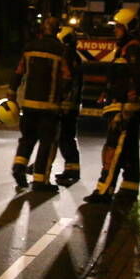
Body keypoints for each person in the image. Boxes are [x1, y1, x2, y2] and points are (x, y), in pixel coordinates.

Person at [83, 20, 140, 203]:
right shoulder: (125, 49)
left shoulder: (132, 49)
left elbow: (138, 76)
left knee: (114, 148)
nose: (115, 31)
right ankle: (129, 187)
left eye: (119, 28)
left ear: (129, 28)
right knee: (129, 148)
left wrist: (138, 98)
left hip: (124, 108)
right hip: (123, 105)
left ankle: (104, 190)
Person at [7, 17, 72, 193]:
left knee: (27, 138)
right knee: (46, 142)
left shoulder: (29, 47)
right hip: (49, 106)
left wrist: (12, 92)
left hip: (29, 103)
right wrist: (63, 97)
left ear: (42, 30)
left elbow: (18, 71)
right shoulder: (61, 50)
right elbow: (67, 76)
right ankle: (40, 180)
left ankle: (19, 167)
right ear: (57, 31)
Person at [55, 24, 83, 186]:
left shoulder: (66, 55)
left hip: (66, 104)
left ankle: (71, 169)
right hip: (72, 104)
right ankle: (72, 168)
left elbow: (66, 80)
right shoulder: (75, 56)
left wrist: (59, 98)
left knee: (63, 137)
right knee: (67, 137)